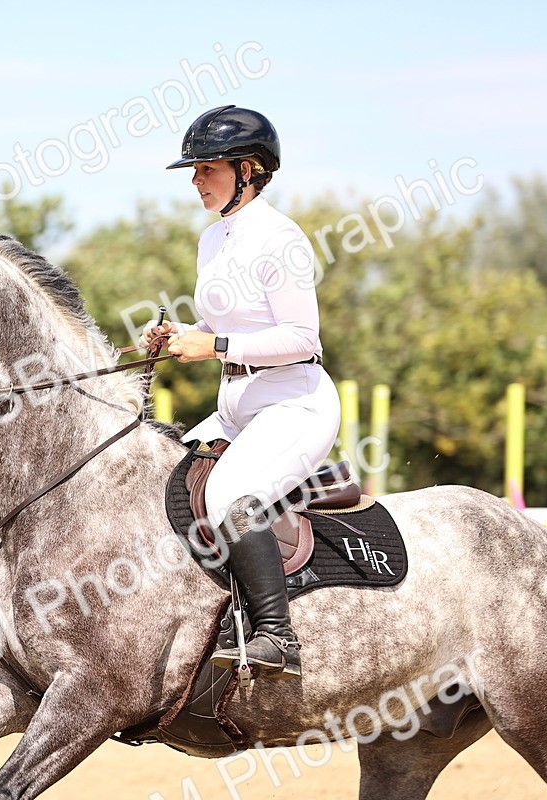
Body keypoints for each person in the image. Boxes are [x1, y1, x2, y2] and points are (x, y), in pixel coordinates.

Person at [141, 105, 341, 677]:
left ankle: (279, 637)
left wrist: (216, 347)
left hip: (293, 403)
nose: (196, 179)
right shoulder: (212, 240)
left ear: (248, 169)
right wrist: (185, 336)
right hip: (236, 406)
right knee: (163, 481)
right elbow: (235, 327)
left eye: (207, 167)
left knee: (231, 496)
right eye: (195, 169)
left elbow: (303, 340)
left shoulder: (281, 239)